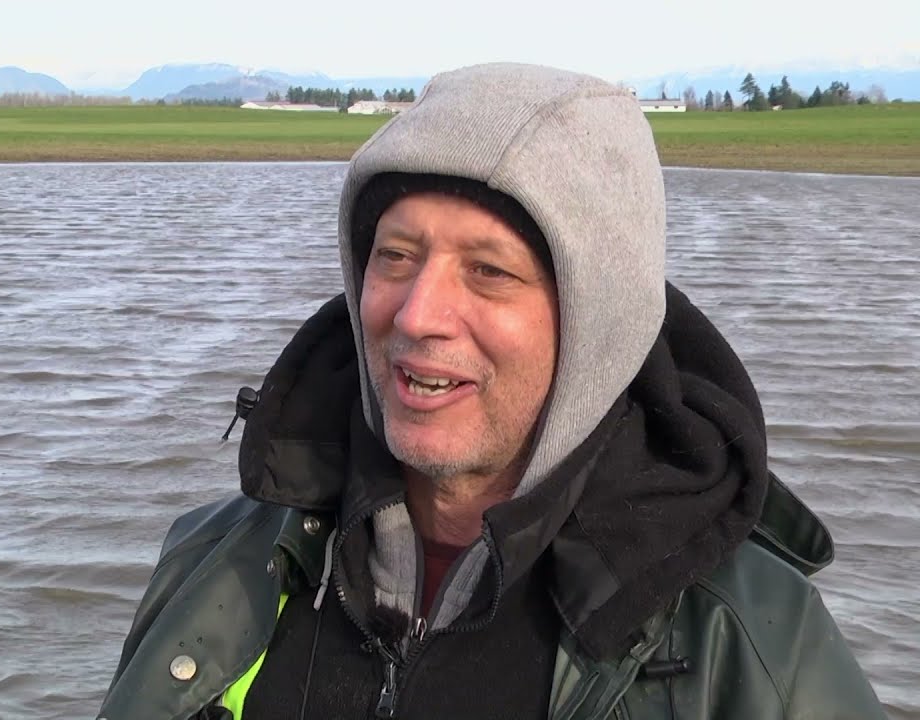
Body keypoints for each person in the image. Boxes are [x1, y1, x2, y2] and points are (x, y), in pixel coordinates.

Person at [98, 62, 887, 720]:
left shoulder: (750, 645)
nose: (418, 314)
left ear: (596, 324)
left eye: (490, 270)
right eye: (396, 254)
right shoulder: (216, 562)